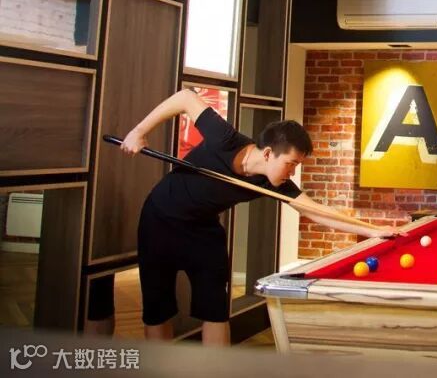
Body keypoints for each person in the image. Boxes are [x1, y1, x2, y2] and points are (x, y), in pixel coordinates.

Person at [95, 89, 397, 346]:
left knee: (215, 310)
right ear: (267, 154)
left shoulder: (273, 182)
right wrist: (139, 132)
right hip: (160, 221)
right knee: (158, 310)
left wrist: (371, 231)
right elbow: (185, 98)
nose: (292, 172)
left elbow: (314, 210)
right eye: (290, 163)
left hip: (203, 231)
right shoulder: (224, 138)